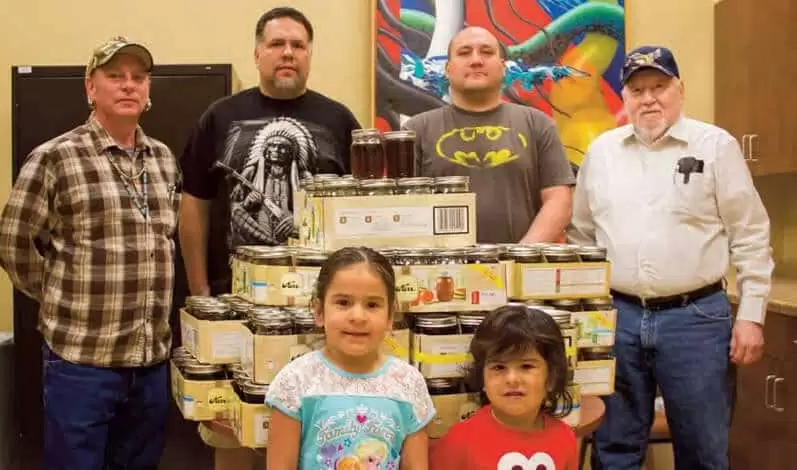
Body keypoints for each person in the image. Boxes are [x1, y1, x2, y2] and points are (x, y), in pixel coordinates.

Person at [568, 45, 773, 470]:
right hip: (616, 319)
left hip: (696, 320)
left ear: (680, 89)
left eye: (659, 87)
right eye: (637, 90)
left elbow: (750, 234)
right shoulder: (601, 153)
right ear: (624, 97)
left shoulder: (715, 146)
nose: (648, 99)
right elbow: (581, 236)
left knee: (702, 449)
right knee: (615, 448)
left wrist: (752, 315)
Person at [0, 37, 179, 469]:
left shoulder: (163, 159)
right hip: (82, 365)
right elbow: (12, 242)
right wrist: (58, 294)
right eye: (115, 76)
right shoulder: (55, 157)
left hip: (150, 362)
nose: (128, 85)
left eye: (138, 77)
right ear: (90, 87)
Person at [179, 6, 361, 298]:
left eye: (298, 45)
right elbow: (194, 203)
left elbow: (360, 209)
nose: (288, 53)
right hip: (235, 294)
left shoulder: (339, 121)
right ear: (257, 54)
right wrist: (199, 290)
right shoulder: (220, 117)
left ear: (309, 56)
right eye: (276, 44)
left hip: (321, 295)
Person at [264, 247, 435, 469]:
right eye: (343, 302)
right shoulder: (296, 381)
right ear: (319, 311)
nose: (358, 316)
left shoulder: (409, 383)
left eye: (372, 305)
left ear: (390, 316)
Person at [404, 26, 575, 244]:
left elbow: (559, 200)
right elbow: (400, 208)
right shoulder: (415, 130)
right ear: (447, 69)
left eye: (486, 52)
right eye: (464, 53)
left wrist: (520, 255)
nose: (476, 60)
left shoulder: (538, 124)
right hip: (442, 263)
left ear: (503, 67)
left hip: (521, 262)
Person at [430, 304, 576, 469]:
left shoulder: (564, 438)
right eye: (499, 367)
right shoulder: (460, 442)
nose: (512, 379)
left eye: (526, 366)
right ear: (482, 378)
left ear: (552, 377)